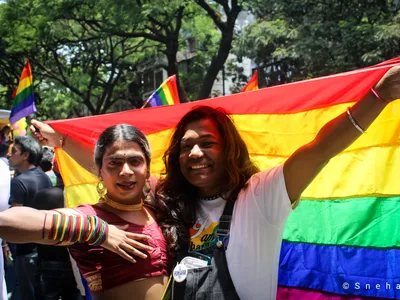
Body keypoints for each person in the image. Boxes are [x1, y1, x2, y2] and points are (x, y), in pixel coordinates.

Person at [30, 65, 400, 299]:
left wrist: (378, 96)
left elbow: (321, 149)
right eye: (186, 147)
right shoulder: (167, 197)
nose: (195, 154)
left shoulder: (264, 196)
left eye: (208, 144)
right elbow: (114, 171)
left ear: (230, 150)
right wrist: (61, 141)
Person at [0, 124, 171, 300]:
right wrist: (96, 231)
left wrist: (61, 140)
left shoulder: (157, 207)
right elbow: (5, 223)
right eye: (114, 163)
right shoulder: (90, 216)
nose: (126, 171)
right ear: (98, 171)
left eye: (135, 161)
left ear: (148, 168)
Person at [8, 136, 52, 300]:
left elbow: (16, 220)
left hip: (25, 250)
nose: (9, 155)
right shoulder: (44, 177)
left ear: (25, 155)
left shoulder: (18, 182)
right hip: (44, 246)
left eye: (14, 151)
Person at [32, 158, 83, 300]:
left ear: (55, 169)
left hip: (50, 263)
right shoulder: (85, 198)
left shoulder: (45, 195)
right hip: (80, 265)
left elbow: (33, 231)